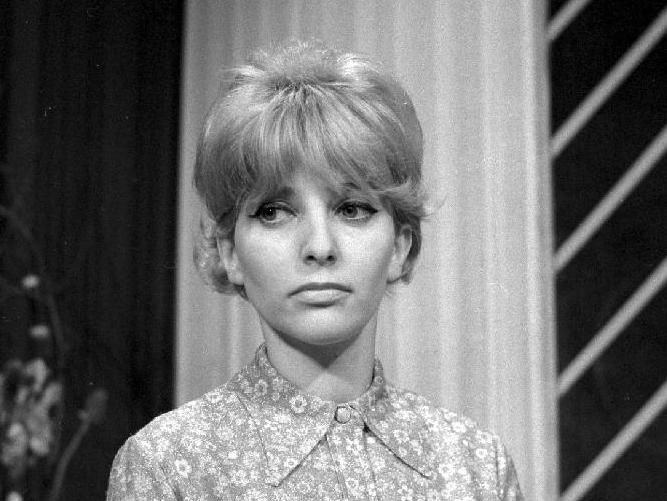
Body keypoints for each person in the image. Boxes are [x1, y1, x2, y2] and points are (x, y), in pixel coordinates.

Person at [106, 39, 523, 500]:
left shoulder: (476, 467)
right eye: (274, 212)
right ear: (229, 253)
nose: (320, 247)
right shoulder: (168, 467)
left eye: (352, 209)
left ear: (401, 247)